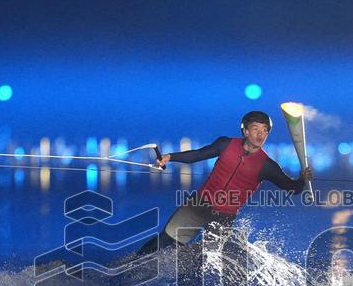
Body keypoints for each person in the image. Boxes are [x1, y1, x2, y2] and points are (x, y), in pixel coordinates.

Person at [131, 110, 313, 257]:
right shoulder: (226, 144)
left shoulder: (267, 165)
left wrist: (302, 179)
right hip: (198, 205)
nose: (261, 134)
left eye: (265, 130)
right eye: (256, 128)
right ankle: (131, 264)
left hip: (224, 216)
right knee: (165, 241)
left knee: (207, 258)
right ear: (245, 131)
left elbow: (291, 189)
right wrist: (170, 157)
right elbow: (198, 155)